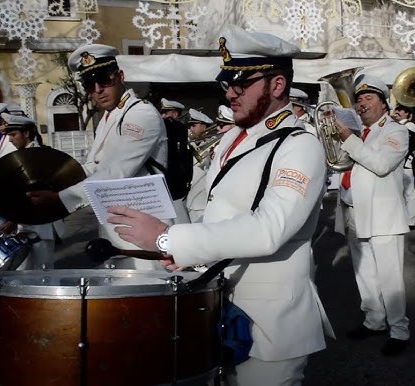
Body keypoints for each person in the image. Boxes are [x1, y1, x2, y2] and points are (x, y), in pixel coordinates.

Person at [106, 25, 331, 385]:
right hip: (223, 309)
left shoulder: (300, 146)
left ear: (277, 85)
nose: (229, 94)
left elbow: (268, 230)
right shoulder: (236, 141)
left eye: (240, 83)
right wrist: (188, 253)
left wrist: (169, 238)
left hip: (271, 325)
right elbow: (219, 214)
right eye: (226, 83)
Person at [27, 43, 189, 269]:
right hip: (115, 228)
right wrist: (54, 182)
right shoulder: (110, 117)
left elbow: (116, 172)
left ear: (120, 76)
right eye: (89, 84)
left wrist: (62, 199)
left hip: (146, 229)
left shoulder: (140, 114)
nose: (98, 89)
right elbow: (94, 166)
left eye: (104, 80)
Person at [334, 73, 411, 355]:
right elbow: (341, 166)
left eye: (368, 98)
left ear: (383, 104)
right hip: (352, 210)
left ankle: (400, 330)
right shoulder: (358, 134)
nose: (361, 104)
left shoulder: (395, 131)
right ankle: (374, 320)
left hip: (382, 217)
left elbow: (380, 164)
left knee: (390, 277)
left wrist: (348, 139)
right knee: (364, 272)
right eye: (359, 100)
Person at [1, 113, 64, 269]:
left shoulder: (38, 157)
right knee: (26, 273)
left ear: (27, 133)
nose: (10, 139)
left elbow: (33, 194)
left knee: (42, 274)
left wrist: (12, 221)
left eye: (13, 134)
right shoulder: (24, 156)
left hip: (41, 226)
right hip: (28, 225)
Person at [186, 108, 216, 223]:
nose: (190, 129)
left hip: (201, 201)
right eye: (190, 126)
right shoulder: (191, 143)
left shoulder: (211, 143)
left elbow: (201, 162)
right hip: (190, 198)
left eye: (194, 125)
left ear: (204, 126)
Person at [393, 104, 415, 230]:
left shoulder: (409, 125)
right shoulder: (394, 124)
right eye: (396, 109)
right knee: (397, 193)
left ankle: (411, 221)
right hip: (396, 165)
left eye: (400, 110)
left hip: (406, 165)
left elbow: (409, 142)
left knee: (409, 193)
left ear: (407, 113)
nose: (396, 111)